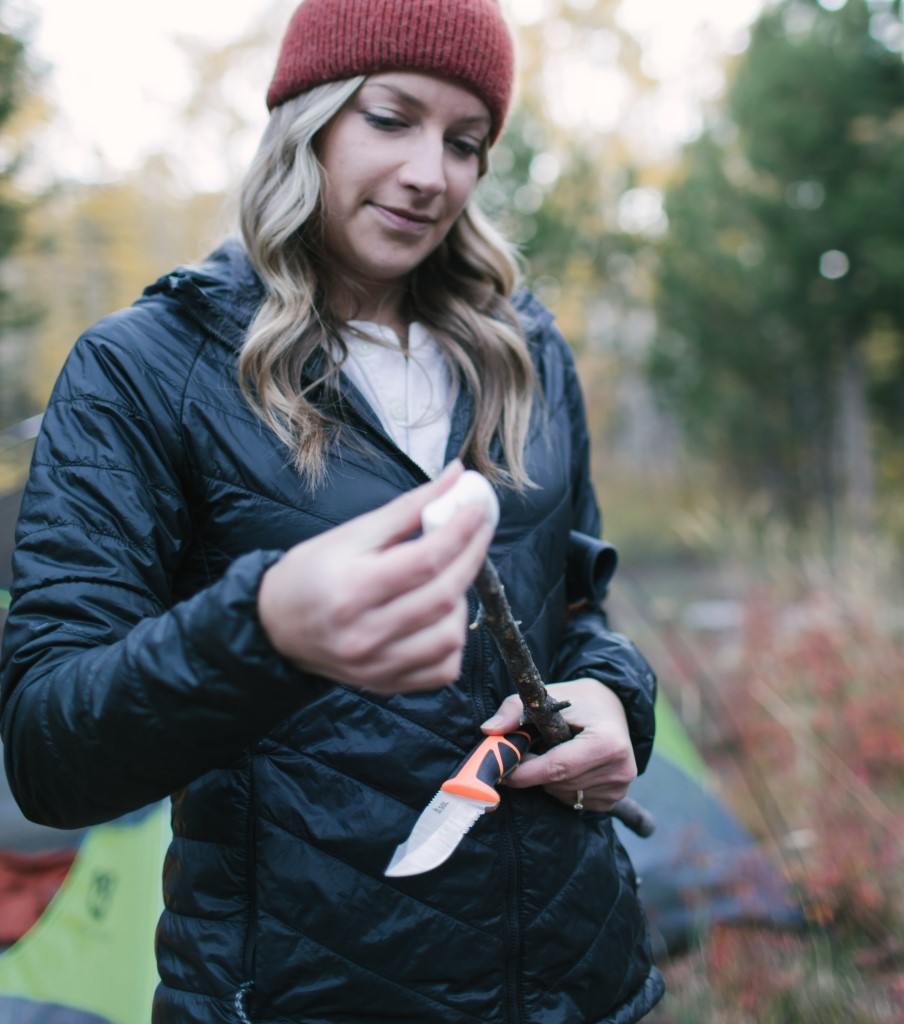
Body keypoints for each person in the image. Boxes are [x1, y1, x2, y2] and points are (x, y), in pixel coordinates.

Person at [0, 0, 664, 1020]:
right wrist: (260, 630)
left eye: (466, 141)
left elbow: (576, 614)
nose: (430, 173)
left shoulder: (523, 350)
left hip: (576, 980)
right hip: (297, 992)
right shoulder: (146, 369)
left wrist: (618, 699)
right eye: (390, 117)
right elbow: (50, 751)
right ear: (305, 119)